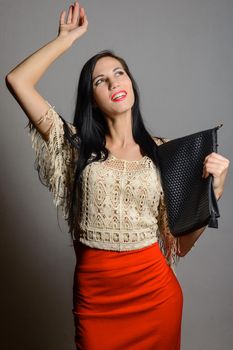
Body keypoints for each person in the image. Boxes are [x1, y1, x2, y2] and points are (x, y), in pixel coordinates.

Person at [5, 2, 230, 349]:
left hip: (156, 298)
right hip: (96, 302)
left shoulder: (165, 153)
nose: (113, 81)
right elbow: (17, 81)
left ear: (132, 83)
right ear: (92, 98)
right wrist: (67, 39)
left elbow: (180, 245)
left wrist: (212, 191)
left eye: (120, 72)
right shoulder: (75, 145)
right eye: (101, 80)